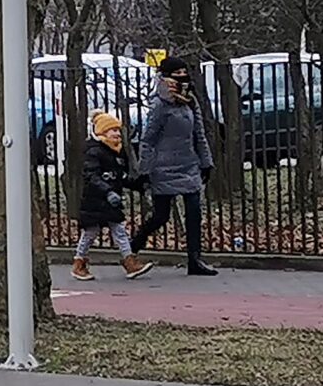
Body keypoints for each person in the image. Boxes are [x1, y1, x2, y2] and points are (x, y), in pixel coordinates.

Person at [135, 55, 218, 276]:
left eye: (184, 72)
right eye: (176, 73)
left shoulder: (190, 100)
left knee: (194, 212)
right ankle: (137, 241)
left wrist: (206, 162)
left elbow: (199, 133)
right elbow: (148, 139)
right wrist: (144, 170)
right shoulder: (159, 104)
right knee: (161, 216)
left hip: (188, 164)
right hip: (163, 167)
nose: (182, 77)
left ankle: (195, 260)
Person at [73, 111, 152, 281]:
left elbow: (119, 177)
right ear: (101, 132)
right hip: (95, 201)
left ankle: (129, 262)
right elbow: (92, 176)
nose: (116, 133)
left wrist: (137, 184)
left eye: (117, 130)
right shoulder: (94, 152)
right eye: (111, 130)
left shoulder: (118, 153)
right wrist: (107, 191)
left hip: (111, 202)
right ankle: (79, 262)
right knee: (90, 233)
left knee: (119, 231)